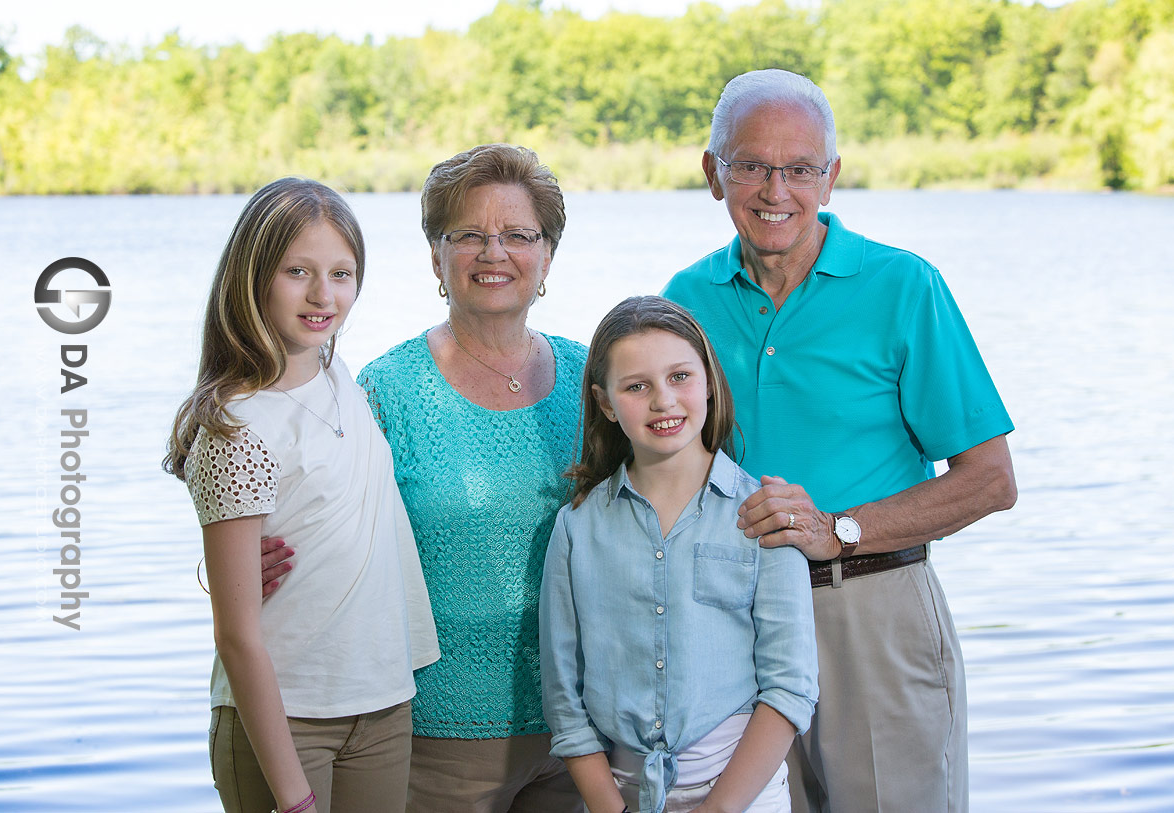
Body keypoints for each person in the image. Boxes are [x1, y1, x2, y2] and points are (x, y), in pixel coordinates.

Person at [662, 70, 1017, 813]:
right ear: (711, 172)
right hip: (729, 621)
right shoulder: (683, 301)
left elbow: (990, 479)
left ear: (832, 178)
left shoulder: (903, 286)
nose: (775, 190)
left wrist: (839, 529)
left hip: (871, 608)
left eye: (799, 169)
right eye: (752, 165)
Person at [265, 144, 587, 811]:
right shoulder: (384, 390)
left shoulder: (599, 380)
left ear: (547, 255)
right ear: (435, 257)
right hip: (435, 734)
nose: (493, 252)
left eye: (518, 235)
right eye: (467, 234)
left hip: (581, 731)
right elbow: (290, 512)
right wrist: (240, 566)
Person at [164, 177, 438, 813]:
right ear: (253, 277)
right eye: (298, 272)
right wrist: (292, 798)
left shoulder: (339, 374)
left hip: (381, 705)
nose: (324, 295)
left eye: (342, 273)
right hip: (285, 720)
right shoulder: (237, 426)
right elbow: (236, 637)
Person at [540, 295, 819, 813]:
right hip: (621, 795)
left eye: (680, 377)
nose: (663, 402)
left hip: (742, 795)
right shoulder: (577, 528)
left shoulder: (764, 515)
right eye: (637, 386)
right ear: (605, 403)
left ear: (709, 382)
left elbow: (789, 688)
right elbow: (564, 697)